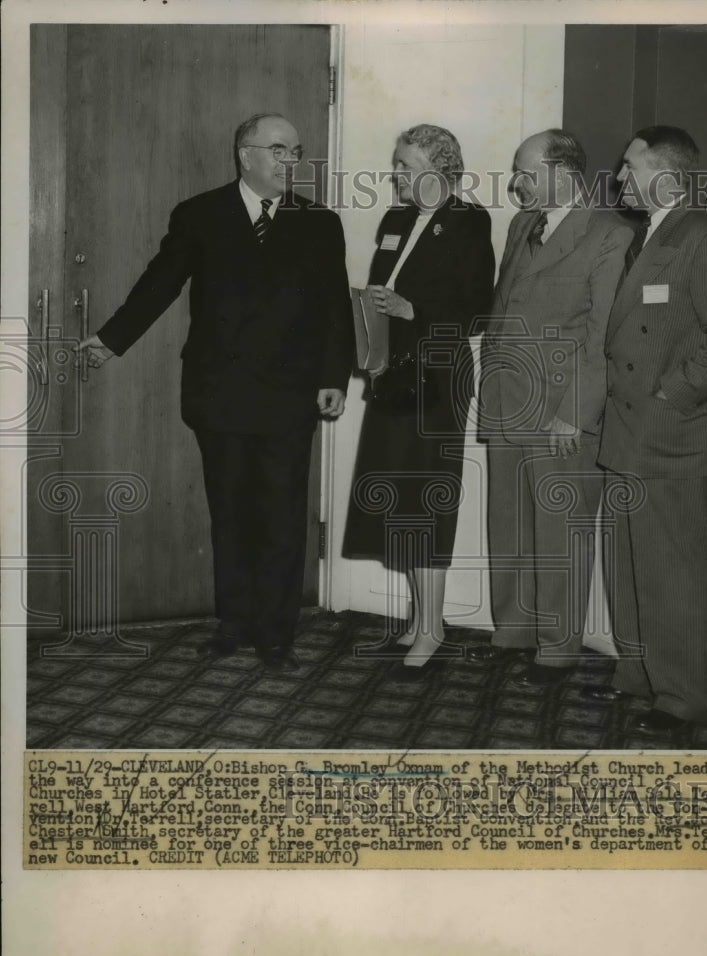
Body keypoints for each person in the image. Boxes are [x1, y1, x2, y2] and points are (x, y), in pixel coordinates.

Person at [77, 112, 354, 670]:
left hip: (289, 393)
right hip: (220, 391)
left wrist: (334, 376)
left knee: (281, 513)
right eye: (278, 150)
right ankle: (233, 622)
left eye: (295, 152)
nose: (290, 162)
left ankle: (277, 632)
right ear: (245, 154)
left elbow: (335, 307)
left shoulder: (319, 221)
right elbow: (160, 282)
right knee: (228, 511)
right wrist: (112, 339)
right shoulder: (200, 214)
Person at [591, 125, 707, 735]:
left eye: (630, 166)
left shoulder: (704, 235)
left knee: (673, 573)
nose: (619, 178)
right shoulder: (648, 235)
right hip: (626, 434)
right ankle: (637, 676)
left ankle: (681, 698)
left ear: (666, 173)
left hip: (668, 433)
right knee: (629, 564)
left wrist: (669, 395)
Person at [472, 128, 632, 682]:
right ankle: (513, 631)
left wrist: (576, 412)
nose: (515, 182)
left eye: (523, 170)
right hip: (506, 397)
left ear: (562, 172)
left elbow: (601, 334)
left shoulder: (610, 232)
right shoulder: (522, 224)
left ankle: (557, 648)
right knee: (509, 521)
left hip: (561, 407)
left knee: (559, 530)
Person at [343, 124, 495, 673]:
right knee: (398, 500)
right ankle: (419, 617)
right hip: (393, 373)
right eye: (397, 164)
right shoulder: (394, 220)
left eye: (405, 165)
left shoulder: (469, 222)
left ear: (438, 167)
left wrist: (414, 312)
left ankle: (433, 625)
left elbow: (479, 309)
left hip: (437, 375)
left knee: (426, 501)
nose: (396, 174)